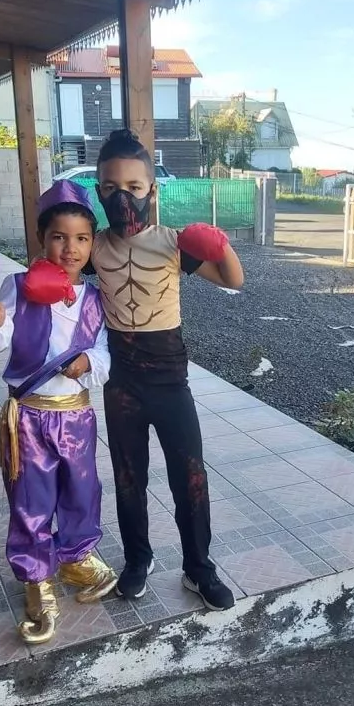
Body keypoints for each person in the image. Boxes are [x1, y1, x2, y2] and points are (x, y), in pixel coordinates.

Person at [87, 128, 244, 612]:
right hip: (122, 383)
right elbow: (57, 271)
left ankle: (199, 567)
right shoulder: (94, 247)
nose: (123, 198)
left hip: (171, 381)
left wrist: (219, 244)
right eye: (111, 187)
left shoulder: (173, 243)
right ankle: (138, 559)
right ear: (99, 192)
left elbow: (233, 280)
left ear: (151, 191)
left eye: (134, 187)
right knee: (128, 476)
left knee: (190, 475)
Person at [0, 180, 116, 644]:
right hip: (30, 418)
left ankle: (76, 558)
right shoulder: (15, 288)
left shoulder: (96, 298)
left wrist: (88, 362)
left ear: (92, 244)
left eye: (81, 238)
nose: (70, 248)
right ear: (41, 239)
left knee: (82, 490)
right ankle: (37, 577)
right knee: (31, 498)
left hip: (76, 416)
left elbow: (106, 353)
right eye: (59, 237)